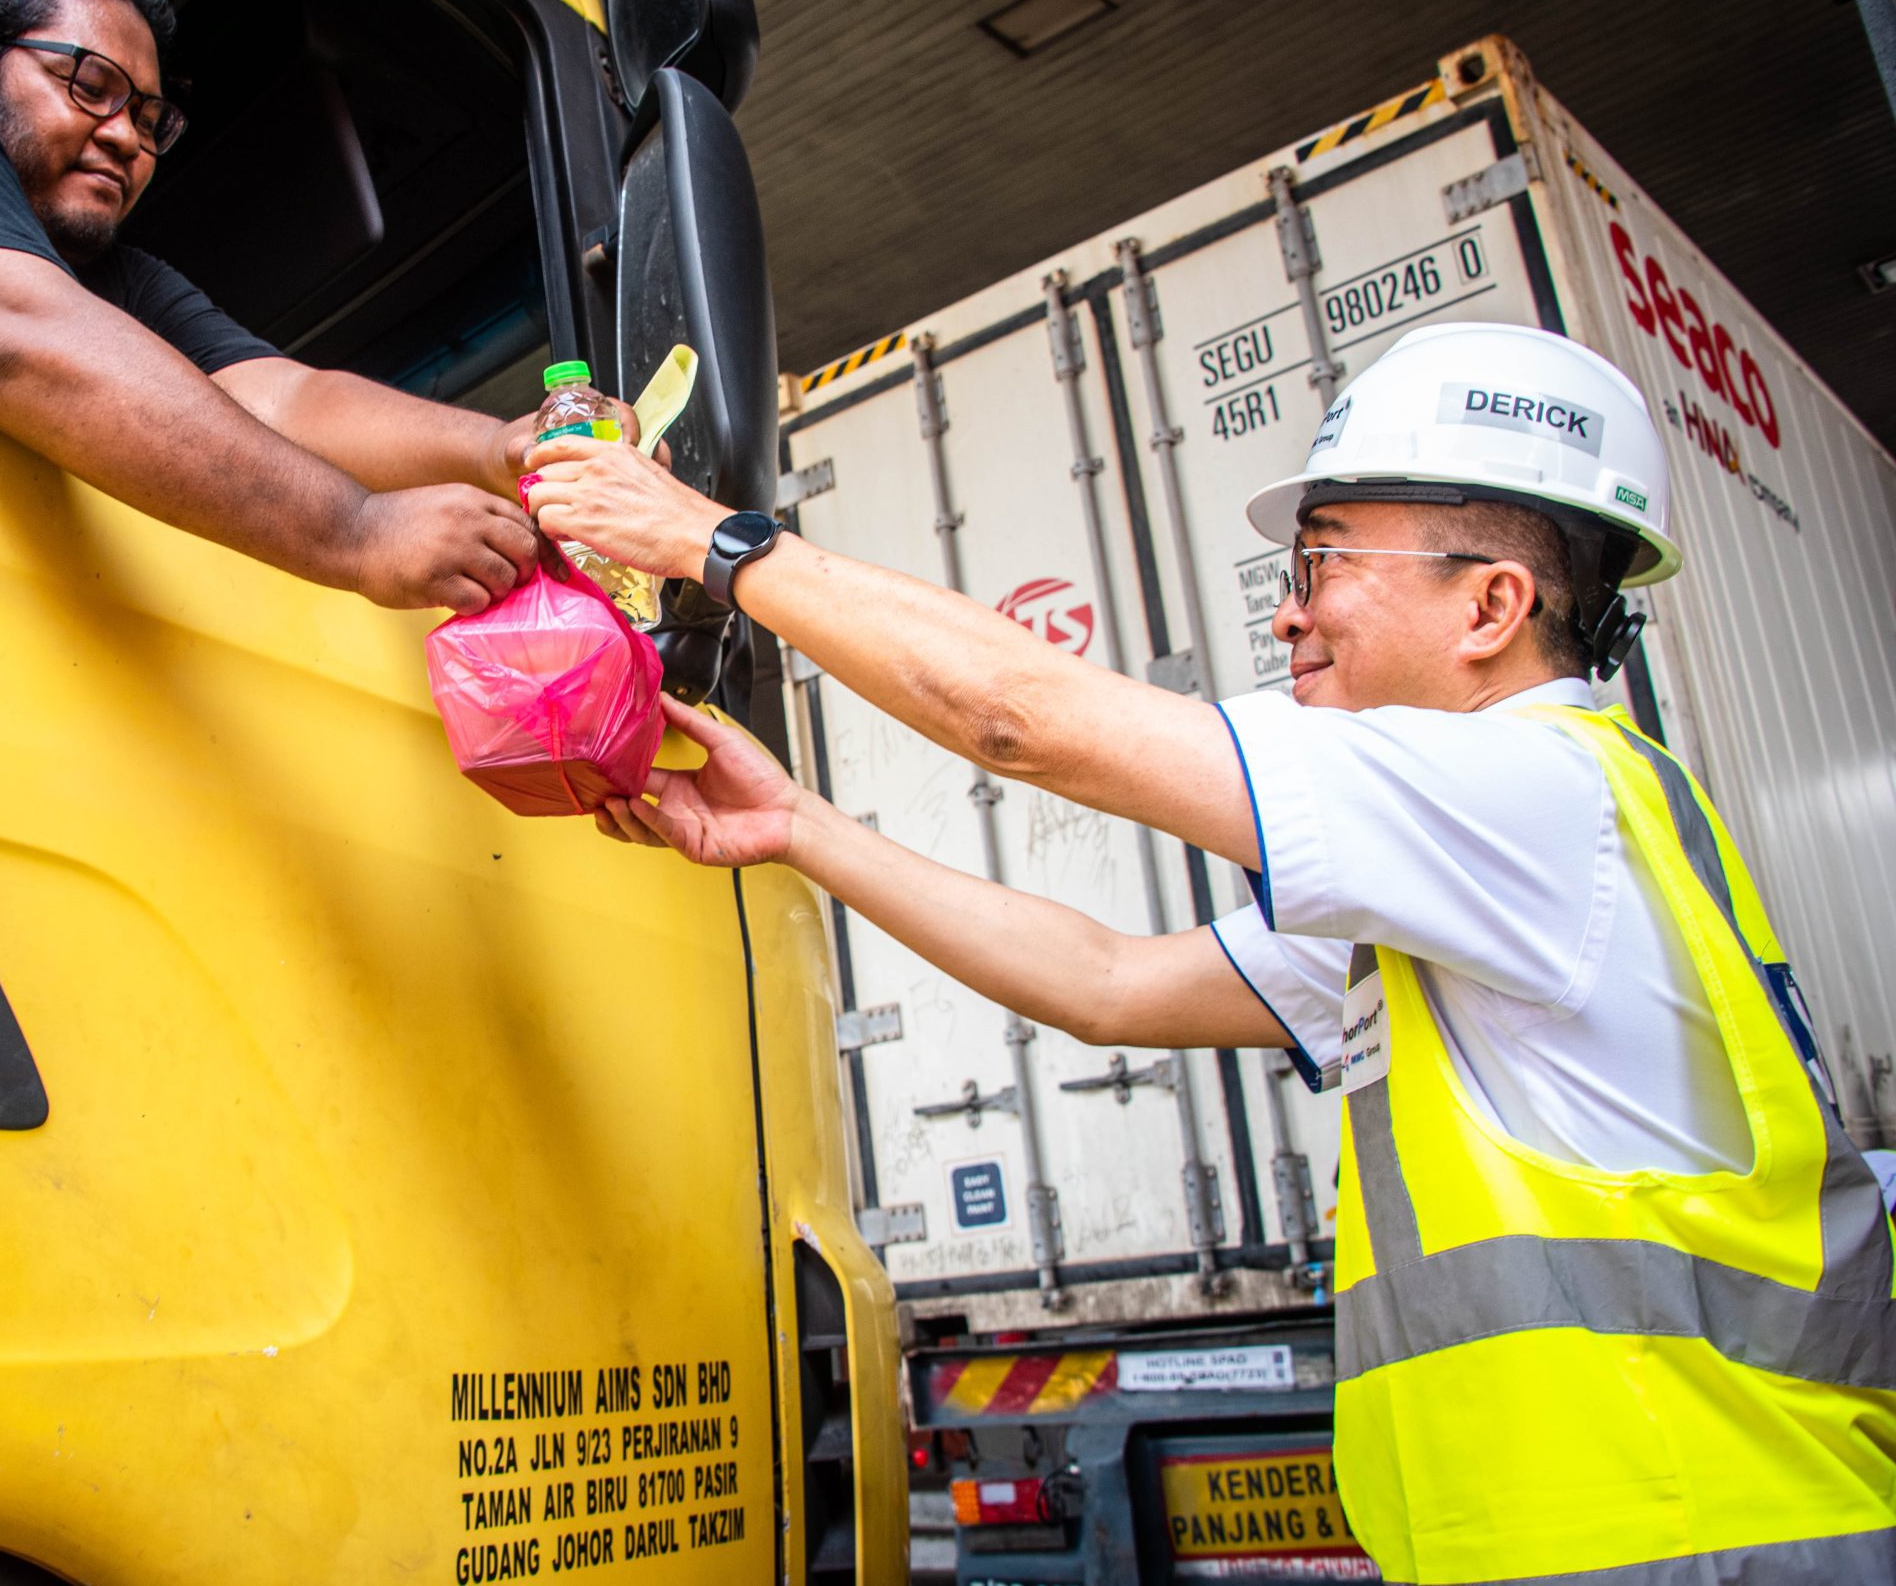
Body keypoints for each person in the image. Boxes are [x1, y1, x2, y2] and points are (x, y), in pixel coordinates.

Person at [527, 321, 1896, 1584]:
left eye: (1322, 563)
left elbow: (1019, 717)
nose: (1288, 613)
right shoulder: (1484, 881)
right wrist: (802, 829)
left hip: (1695, 1539)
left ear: (1491, 606)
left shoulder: (1536, 797)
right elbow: (1107, 985)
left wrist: (710, 539)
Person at [0, 0, 561, 615]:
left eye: (149, 118)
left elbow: (285, 397)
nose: (127, 137)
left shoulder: (117, 277)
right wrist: (362, 529)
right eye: (90, 86)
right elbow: (15, 335)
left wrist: (502, 448)